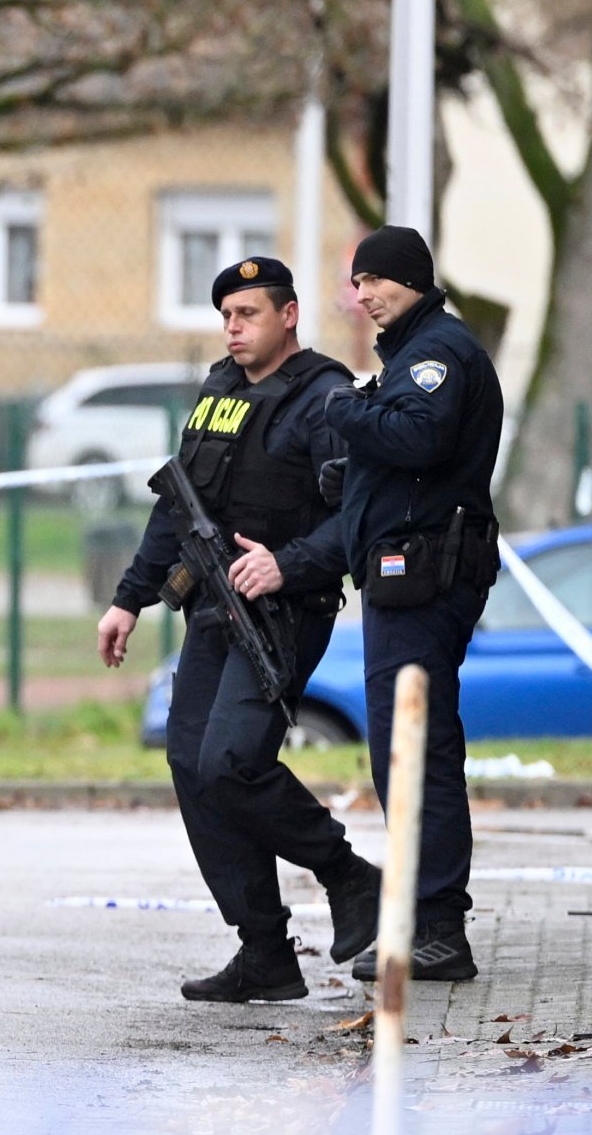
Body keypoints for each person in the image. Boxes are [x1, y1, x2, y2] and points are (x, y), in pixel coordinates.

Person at [95, 256, 382, 1003]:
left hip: (286, 613)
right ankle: (265, 952)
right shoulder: (219, 390)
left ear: (288, 315)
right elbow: (178, 503)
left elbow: (360, 519)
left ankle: (349, 875)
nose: (232, 327)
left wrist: (290, 564)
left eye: (248, 313)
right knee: (192, 765)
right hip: (213, 608)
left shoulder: (325, 399)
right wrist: (129, 599)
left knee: (230, 761)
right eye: (225, 314)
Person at [322, 225, 503, 984]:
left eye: (375, 280)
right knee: (409, 749)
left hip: (424, 579)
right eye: (357, 282)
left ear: (413, 281)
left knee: (417, 751)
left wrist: (345, 412)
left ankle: (435, 929)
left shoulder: (437, 355)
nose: (362, 294)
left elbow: (420, 438)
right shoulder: (413, 355)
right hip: (405, 577)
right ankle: (421, 919)